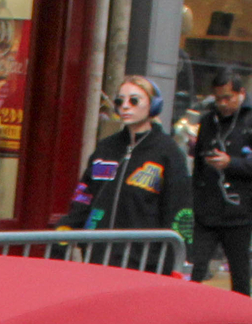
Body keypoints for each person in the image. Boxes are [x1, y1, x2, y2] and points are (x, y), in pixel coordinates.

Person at [60, 75, 192, 269]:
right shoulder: (106, 148)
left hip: (144, 261)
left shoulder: (168, 153)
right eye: (120, 101)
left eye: (134, 100)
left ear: (153, 105)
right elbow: (85, 195)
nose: (125, 106)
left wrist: (175, 262)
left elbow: (178, 209)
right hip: (98, 255)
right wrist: (67, 228)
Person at [188, 73, 252, 292]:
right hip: (207, 208)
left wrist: (231, 163)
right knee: (196, 270)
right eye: (218, 98)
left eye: (228, 98)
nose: (223, 103)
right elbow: (199, 164)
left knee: (239, 273)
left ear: (241, 94)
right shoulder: (209, 120)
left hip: (238, 211)